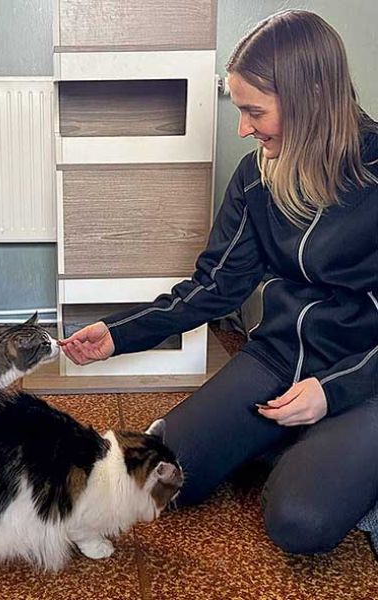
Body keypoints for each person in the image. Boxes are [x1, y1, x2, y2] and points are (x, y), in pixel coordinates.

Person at [59, 10, 378, 555]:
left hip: (364, 376)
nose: (243, 129)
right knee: (162, 480)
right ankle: (295, 442)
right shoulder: (257, 176)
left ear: (311, 97)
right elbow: (215, 286)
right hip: (278, 359)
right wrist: (119, 332)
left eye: (255, 111)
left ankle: (317, 455)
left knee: (298, 520)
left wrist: (333, 392)